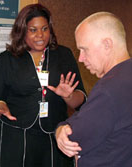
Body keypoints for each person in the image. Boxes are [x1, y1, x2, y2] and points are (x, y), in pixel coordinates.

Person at [0, 3, 86, 167]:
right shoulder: (8, 59)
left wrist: (68, 96)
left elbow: (80, 100)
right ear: (22, 31)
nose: (40, 35)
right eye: (33, 30)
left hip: (53, 138)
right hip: (15, 139)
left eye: (45, 29)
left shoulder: (63, 55)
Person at [55, 12, 132, 167]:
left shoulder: (109, 89)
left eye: (84, 49)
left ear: (107, 44)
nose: (81, 59)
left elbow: (72, 138)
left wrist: (60, 129)